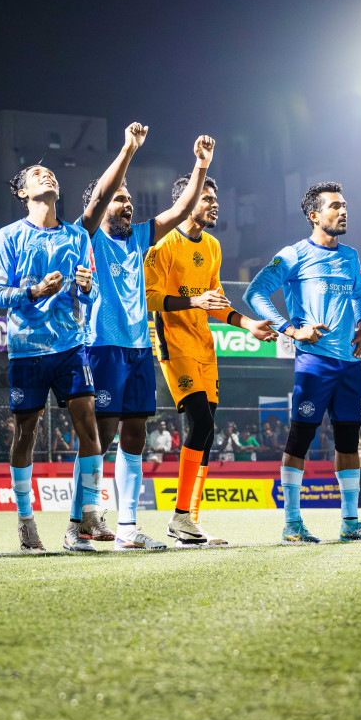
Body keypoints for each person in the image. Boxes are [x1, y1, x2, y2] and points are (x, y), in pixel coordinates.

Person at [77, 124, 214, 550]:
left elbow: (179, 210)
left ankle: (127, 528)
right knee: (100, 436)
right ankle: (85, 516)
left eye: (130, 201)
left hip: (138, 349)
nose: (127, 205)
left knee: (135, 434)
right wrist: (128, 150)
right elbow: (101, 194)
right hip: (102, 345)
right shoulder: (90, 234)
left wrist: (200, 165)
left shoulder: (139, 238)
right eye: (122, 199)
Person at [147, 165, 276, 546]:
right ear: (185, 203)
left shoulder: (214, 247)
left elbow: (216, 302)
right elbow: (151, 296)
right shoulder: (163, 244)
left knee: (209, 430)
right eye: (207, 198)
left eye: (215, 199)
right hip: (174, 342)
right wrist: (193, 300)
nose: (215, 204)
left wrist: (247, 324)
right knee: (200, 424)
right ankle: (180, 517)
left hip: (204, 345)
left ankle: (190, 521)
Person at [244, 182, 361, 544]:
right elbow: (254, 292)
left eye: (345, 205)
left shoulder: (350, 256)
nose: (343, 211)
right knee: (300, 440)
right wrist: (290, 329)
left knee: (348, 442)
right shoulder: (293, 255)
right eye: (335, 206)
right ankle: (292, 525)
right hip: (314, 363)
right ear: (314, 215)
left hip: (349, 363)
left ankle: (351, 523)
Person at [0, 162, 100, 552]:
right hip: (27, 349)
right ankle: (25, 520)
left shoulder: (76, 235)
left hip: (71, 345)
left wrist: (87, 287)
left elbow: (89, 291)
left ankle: (87, 516)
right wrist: (35, 291)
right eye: (37, 174)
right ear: (22, 192)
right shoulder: (8, 237)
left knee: (91, 429)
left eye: (51, 173)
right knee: (26, 434)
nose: (48, 176)